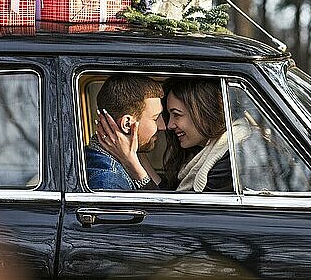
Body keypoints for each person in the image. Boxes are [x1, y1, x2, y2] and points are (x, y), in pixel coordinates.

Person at [96, 77, 252, 193]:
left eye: (176, 115)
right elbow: (166, 193)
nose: (168, 125)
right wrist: (135, 151)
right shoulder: (203, 152)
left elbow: (171, 218)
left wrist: (133, 164)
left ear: (203, 113)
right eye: (159, 117)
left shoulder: (233, 162)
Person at [85, 75, 165, 190]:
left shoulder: (97, 157)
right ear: (127, 124)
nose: (163, 126)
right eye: (155, 118)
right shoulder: (110, 183)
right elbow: (158, 208)